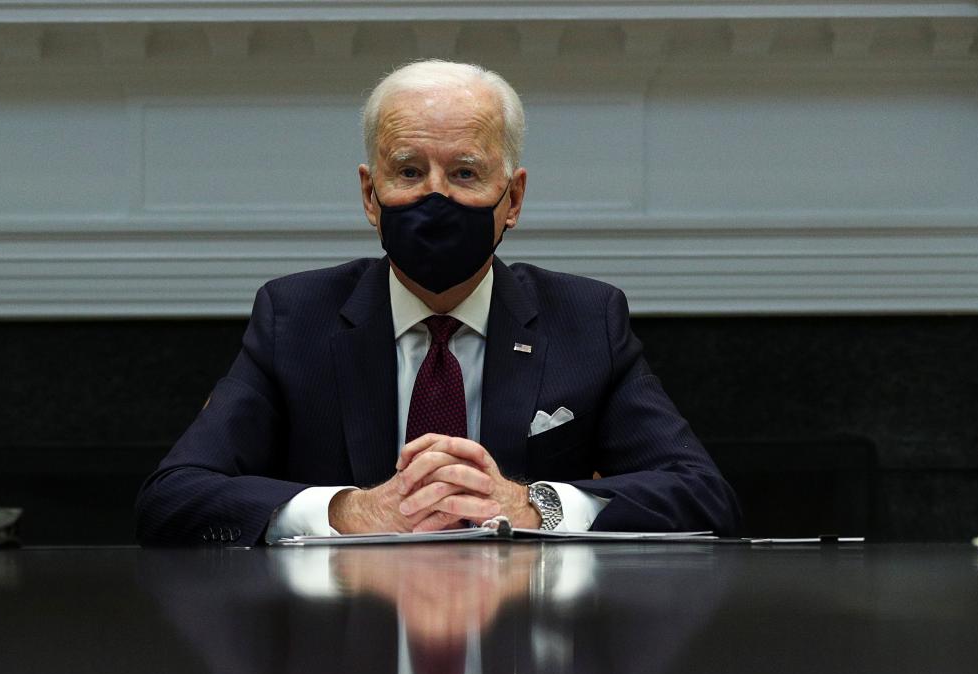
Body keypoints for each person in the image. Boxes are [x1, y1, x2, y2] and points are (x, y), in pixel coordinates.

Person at [135, 59, 739, 546]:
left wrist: (535, 505)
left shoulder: (586, 319)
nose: (435, 197)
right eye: (409, 171)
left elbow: (705, 497)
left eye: (466, 174)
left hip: (523, 661)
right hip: (342, 655)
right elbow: (172, 498)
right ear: (371, 196)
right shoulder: (295, 317)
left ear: (514, 197)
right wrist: (348, 511)